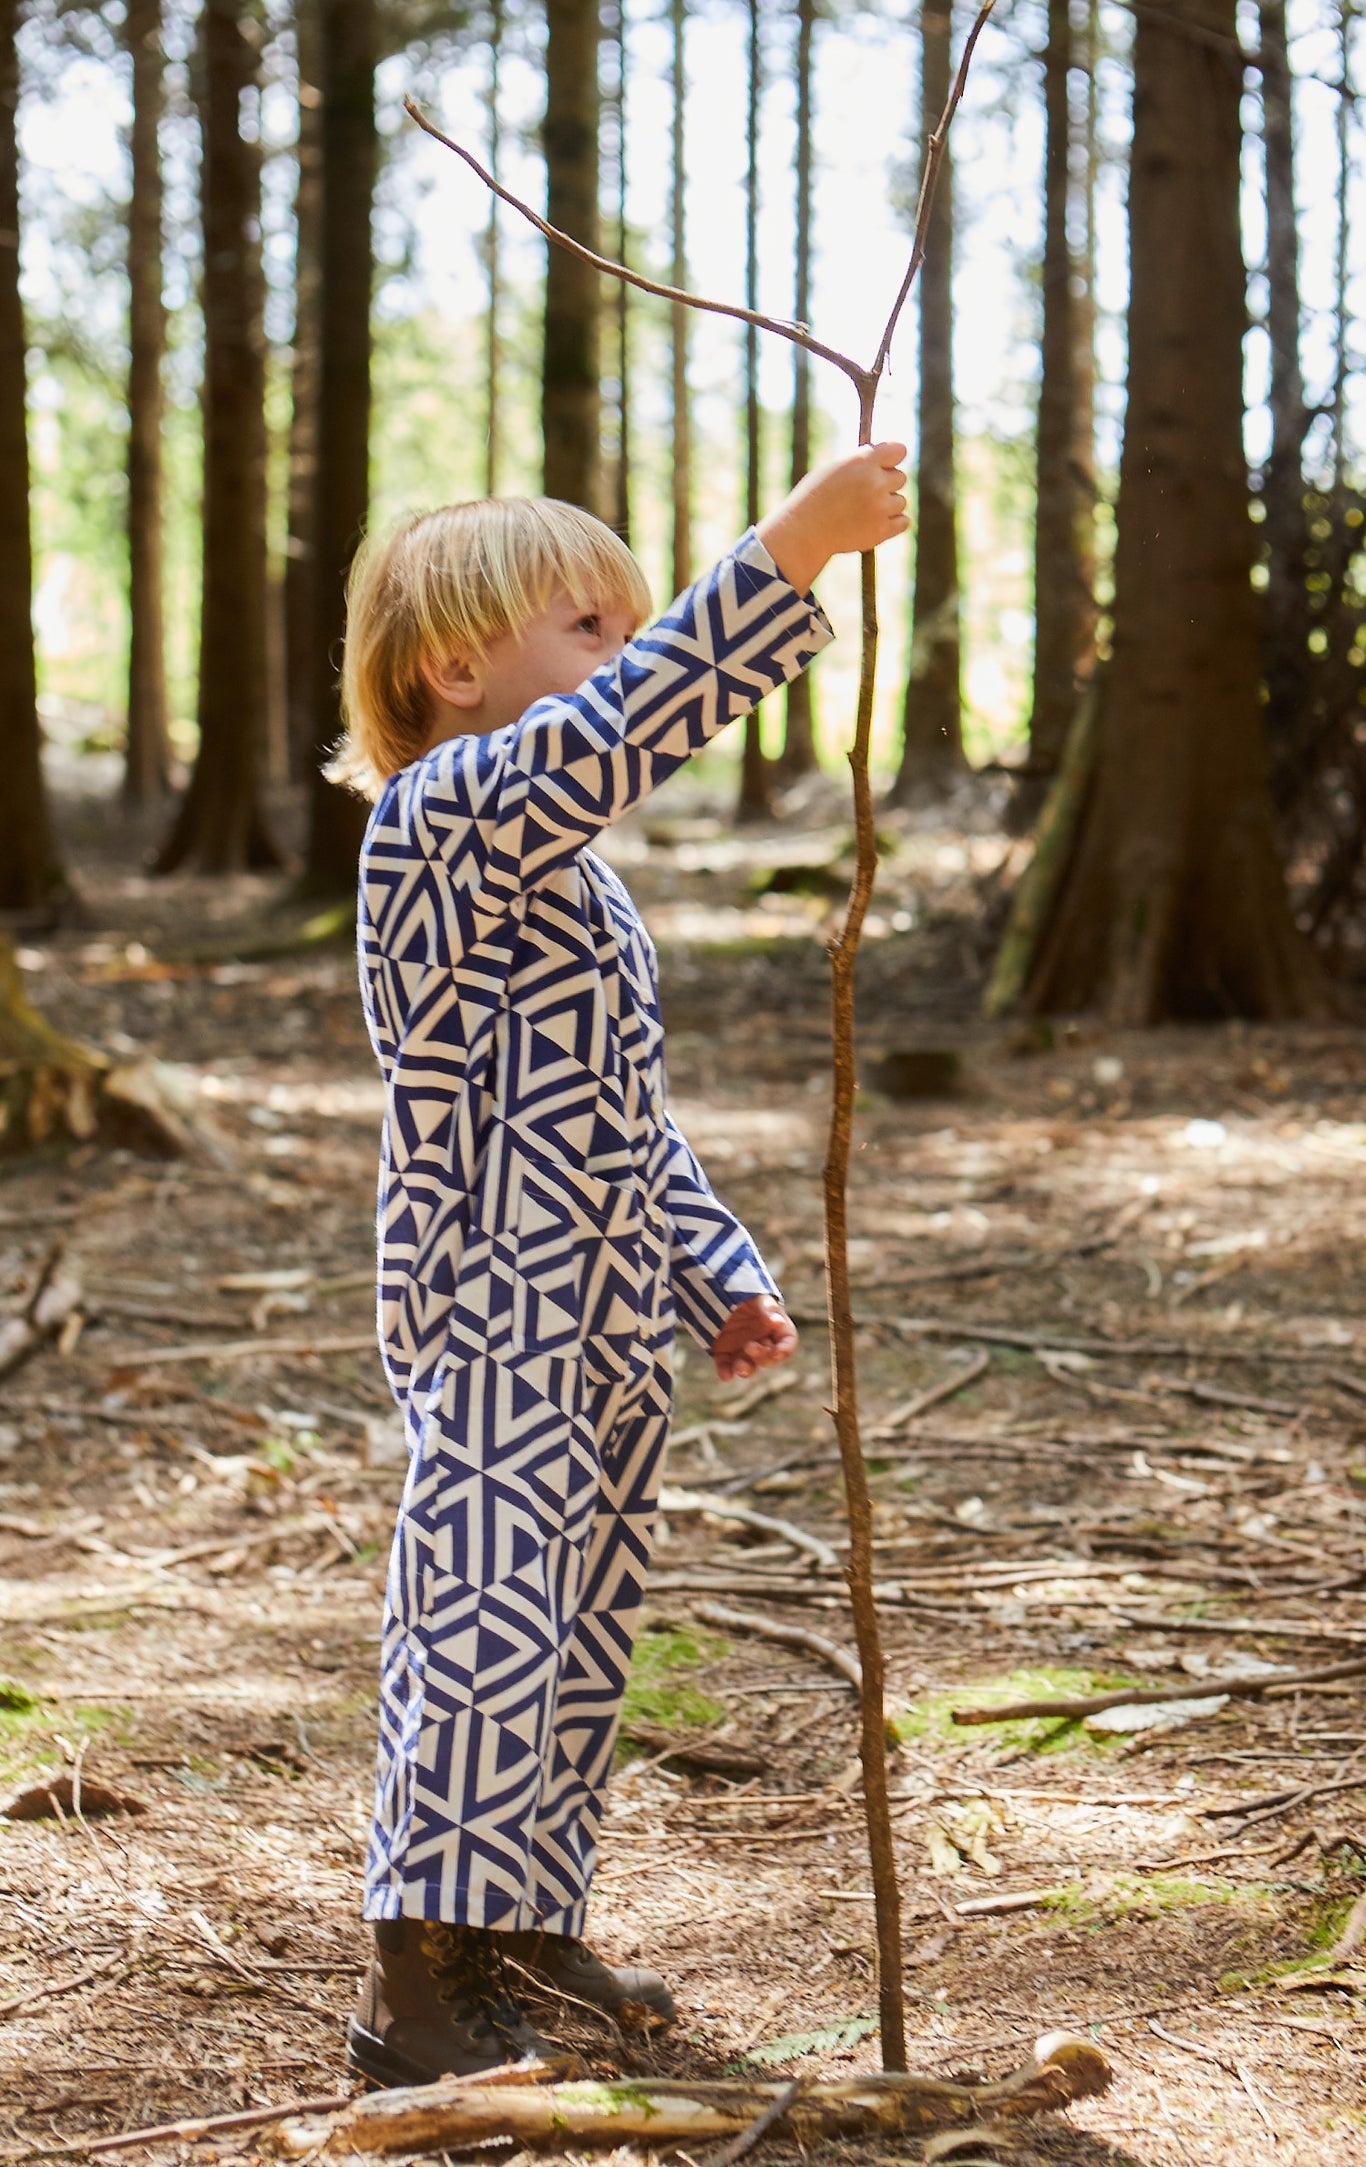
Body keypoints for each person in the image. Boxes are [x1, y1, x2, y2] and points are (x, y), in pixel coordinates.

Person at [330, 444, 909, 2088]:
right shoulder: (441, 819)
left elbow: (622, 1119)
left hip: (593, 1316)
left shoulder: (569, 881)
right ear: (453, 668)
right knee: (485, 1610)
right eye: (591, 624)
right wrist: (790, 550)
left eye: (632, 625)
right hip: (495, 1299)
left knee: (578, 1621)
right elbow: (605, 737)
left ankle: (517, 1925)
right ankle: (413, 1980)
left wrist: (706, 1268)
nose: (621, 654)